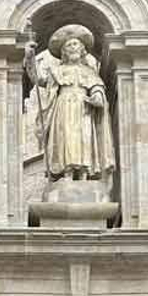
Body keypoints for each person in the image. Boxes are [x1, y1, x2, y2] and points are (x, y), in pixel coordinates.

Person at [25, 23, 115, 182]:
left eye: (76, 44)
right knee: (65, 138)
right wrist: (30, 58)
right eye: (69, 45)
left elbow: (97, 86)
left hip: (84, 107)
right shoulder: (57, 71)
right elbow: (38, 79)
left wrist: (97, 96)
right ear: (64, 52)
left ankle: (84, 174)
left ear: (82, 50)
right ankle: (66, 173)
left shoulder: (89, 71)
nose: (73, 47)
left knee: (84, 138)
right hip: (63, 108)